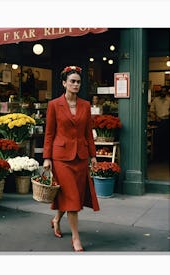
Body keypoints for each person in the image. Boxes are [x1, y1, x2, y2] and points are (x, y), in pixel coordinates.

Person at [43, 65, 100, 252]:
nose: (76, 84)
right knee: (73, 198)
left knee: (68, 195)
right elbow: (49, 134)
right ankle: (76, 238)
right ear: (64, 83)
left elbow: (88, 134)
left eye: (78, 82)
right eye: (72, 81)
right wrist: (47, 158)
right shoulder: (53, 105)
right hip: (61, 159)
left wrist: (93, 156)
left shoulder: (85, 105)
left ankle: (56, 219)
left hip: (81, 157)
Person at [149, 86, 170, 161]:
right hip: (158, 121)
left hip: (167, 121)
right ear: (160, 91)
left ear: (167, 92)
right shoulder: (155, 100)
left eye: (164, 91)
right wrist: (155, 117)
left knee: (166, 139)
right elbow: (151, 110)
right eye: (162, 91)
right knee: (157, 140)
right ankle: (158, 157)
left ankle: (166, 157)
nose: (163, 92)